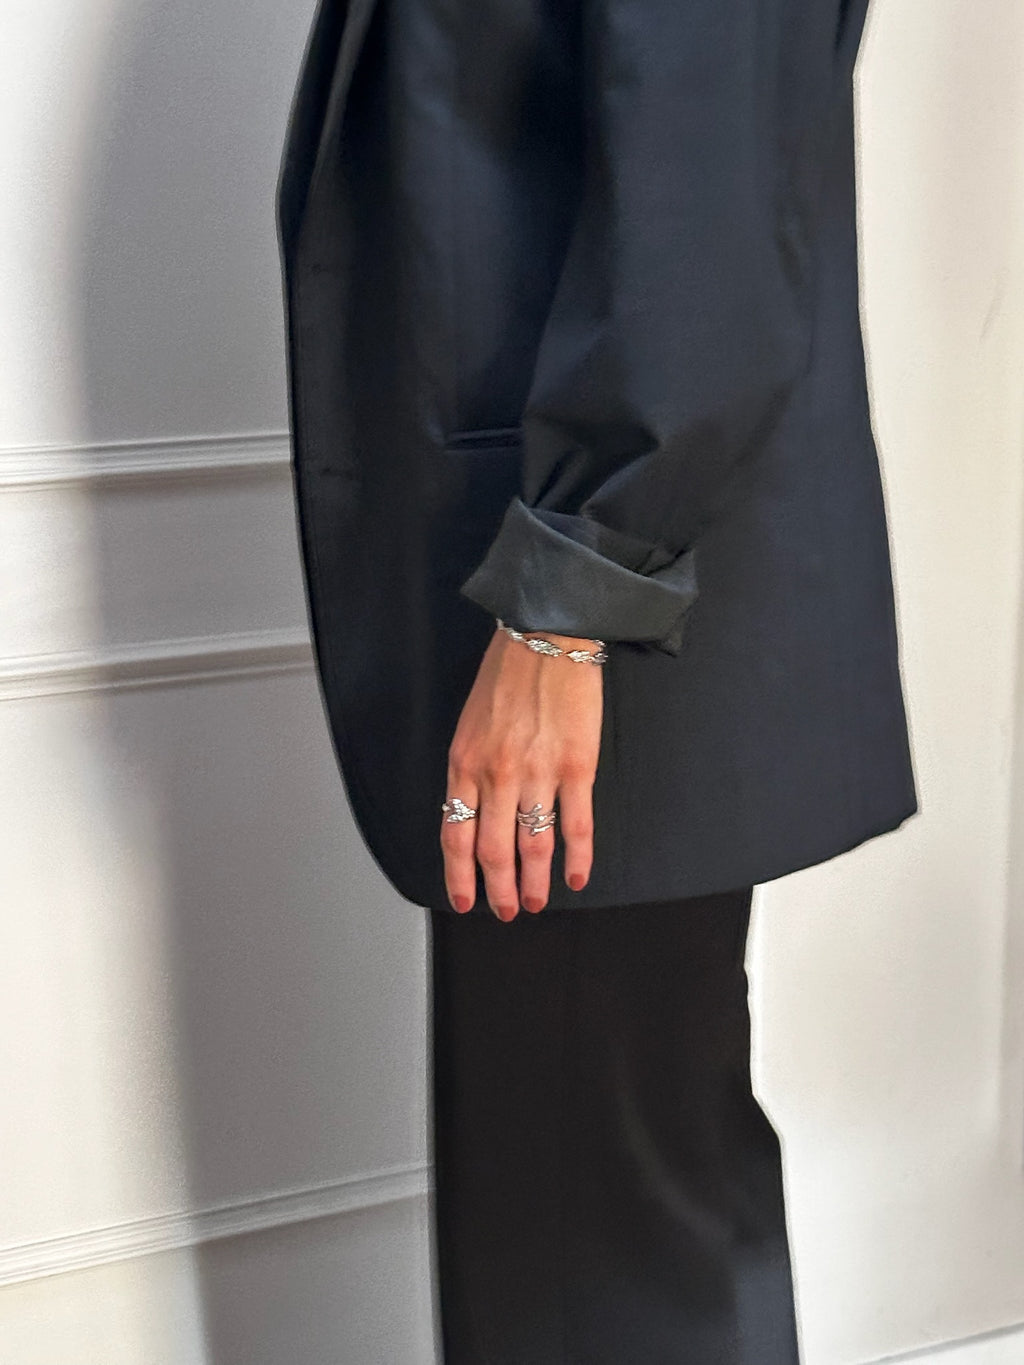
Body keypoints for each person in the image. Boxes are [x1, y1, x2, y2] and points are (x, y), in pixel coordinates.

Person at [276, 0, 918, 1359]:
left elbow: (703, 198)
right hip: (562, 580)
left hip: (596, 609)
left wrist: (567, 602)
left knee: (602, 1257)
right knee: (592, 1221)